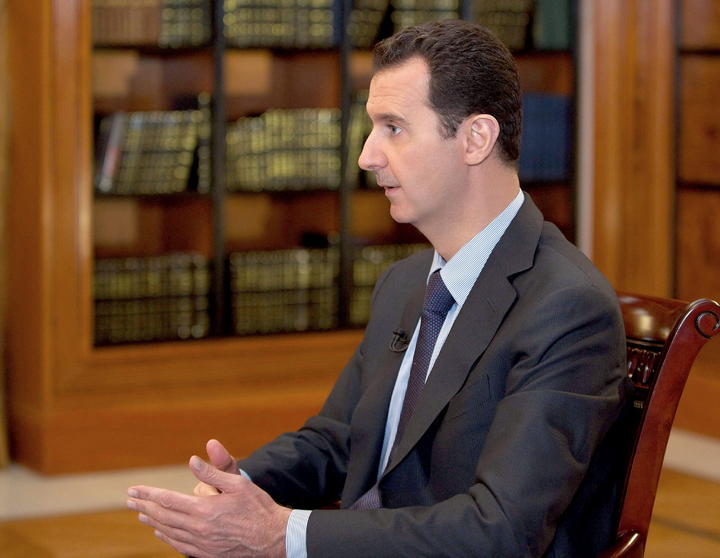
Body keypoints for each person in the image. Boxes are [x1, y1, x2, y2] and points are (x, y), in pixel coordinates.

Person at [127, 19, 629, 558]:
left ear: (475, 139)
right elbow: (341, 439)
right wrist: (241, 486)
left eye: (393, 128)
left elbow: (500, 530)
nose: (367, 156)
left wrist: (280, 533)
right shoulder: (404, 282)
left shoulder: (567, 307)